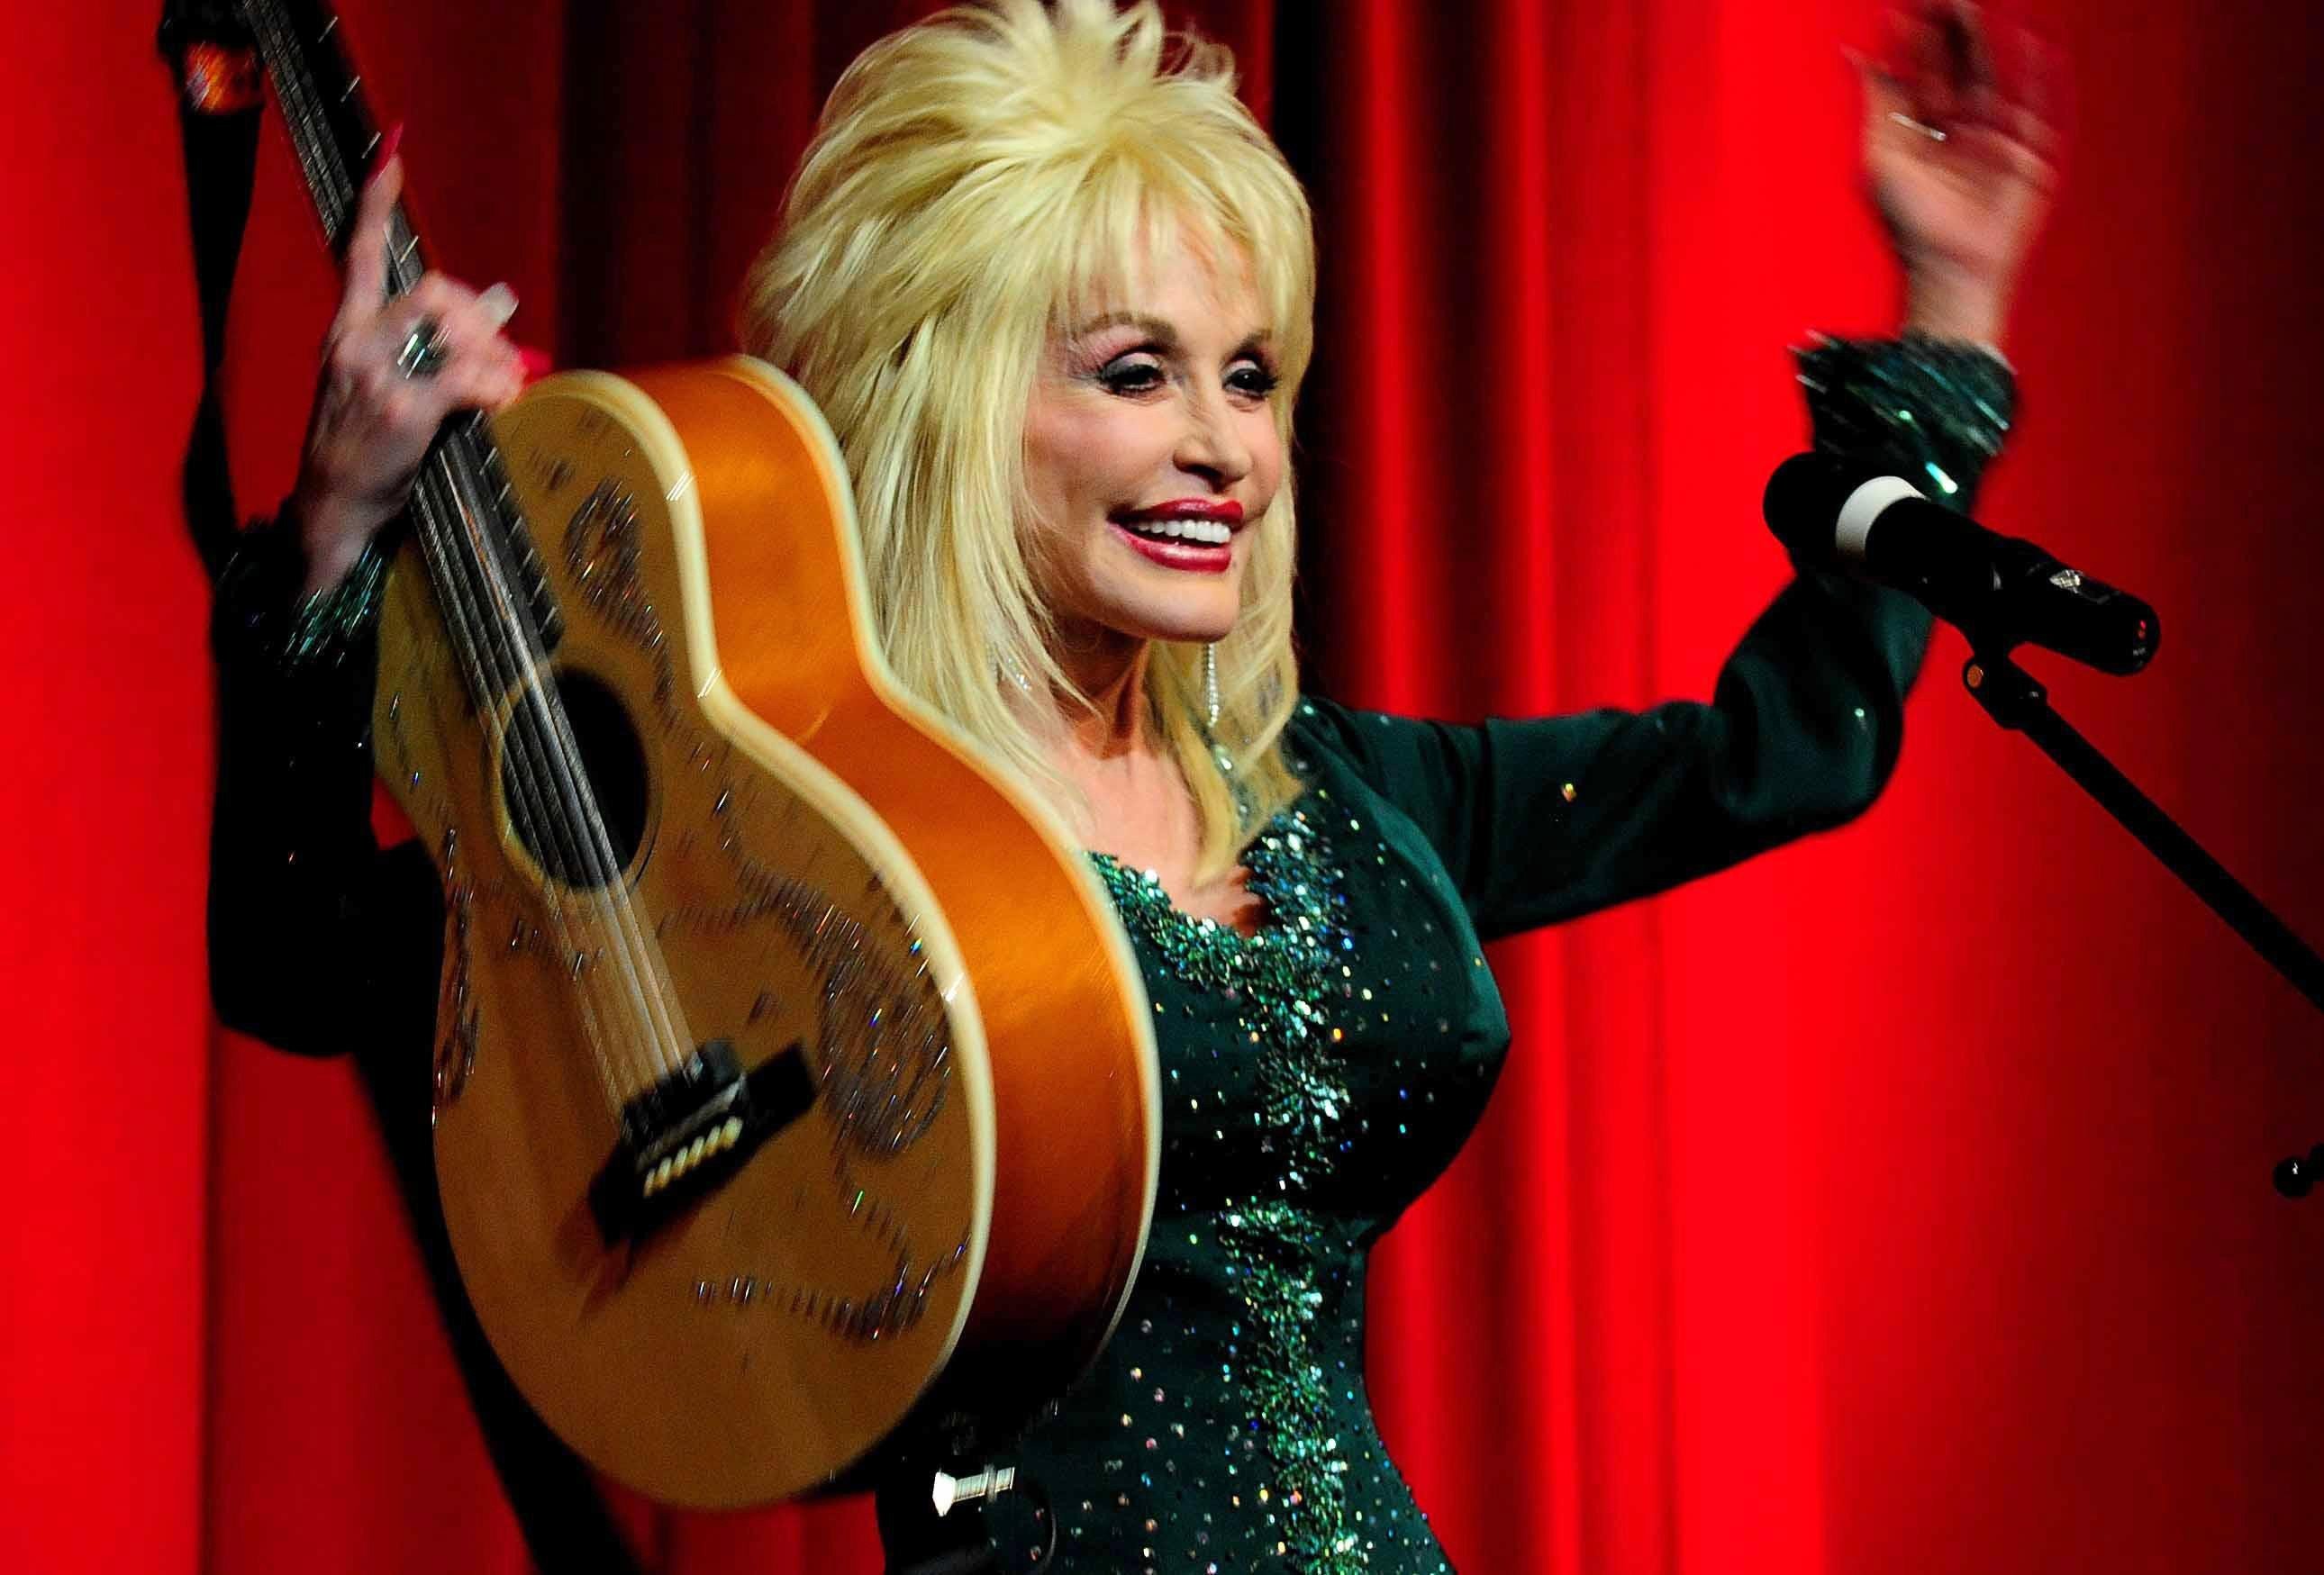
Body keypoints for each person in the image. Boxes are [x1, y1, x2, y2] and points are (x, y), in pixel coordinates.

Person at [206, 1, 2055, 1570]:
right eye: (1135, 371)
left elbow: (1785, 749)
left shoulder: (1331, 798)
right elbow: (301, 955)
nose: (1223, 444)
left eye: (1250, 375)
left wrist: (1949, 297)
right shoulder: (784, 840)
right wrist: (337, 536)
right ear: (945, 396)